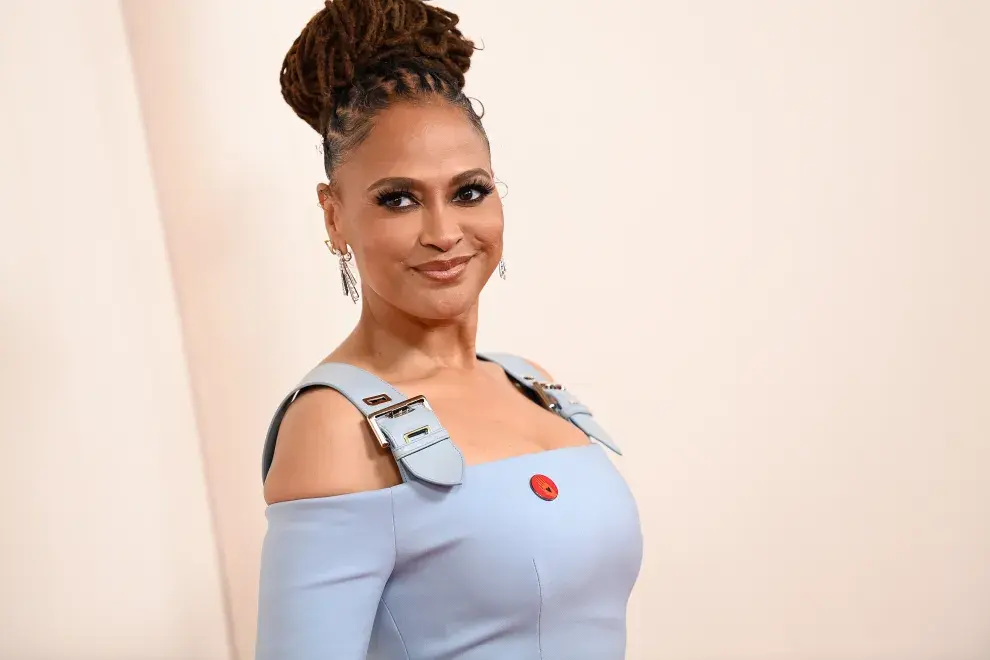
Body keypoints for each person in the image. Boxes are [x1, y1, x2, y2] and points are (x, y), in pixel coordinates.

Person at [256, 1, 643, 658]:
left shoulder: (532, 385)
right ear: (334, 215)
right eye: (398, 198)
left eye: (468, 191)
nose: (443, 234)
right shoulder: (333, 428)